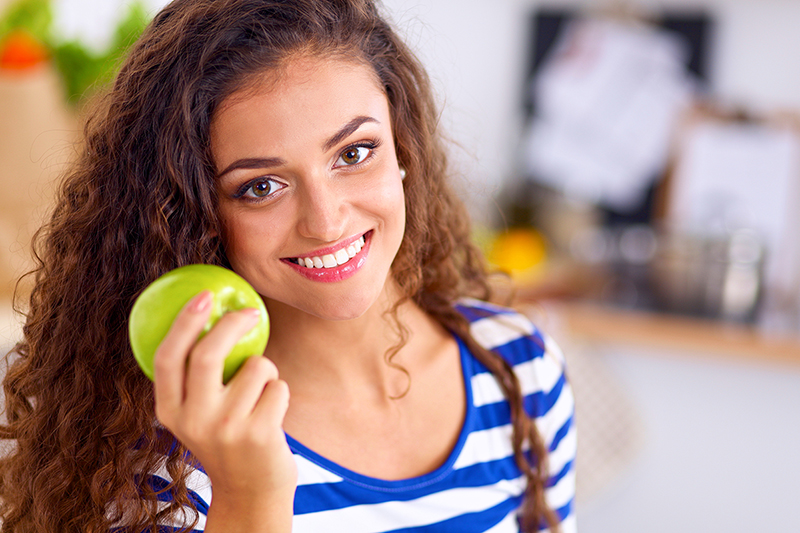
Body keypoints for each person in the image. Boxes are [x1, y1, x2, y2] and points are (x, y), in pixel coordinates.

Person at [0, 0, 576, 531]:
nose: (325, 222)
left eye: (354, 153)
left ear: (404, 148)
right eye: (261, 186)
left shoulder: (519, 369)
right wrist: (251, 496)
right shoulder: (165, 469)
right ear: (195, 214)